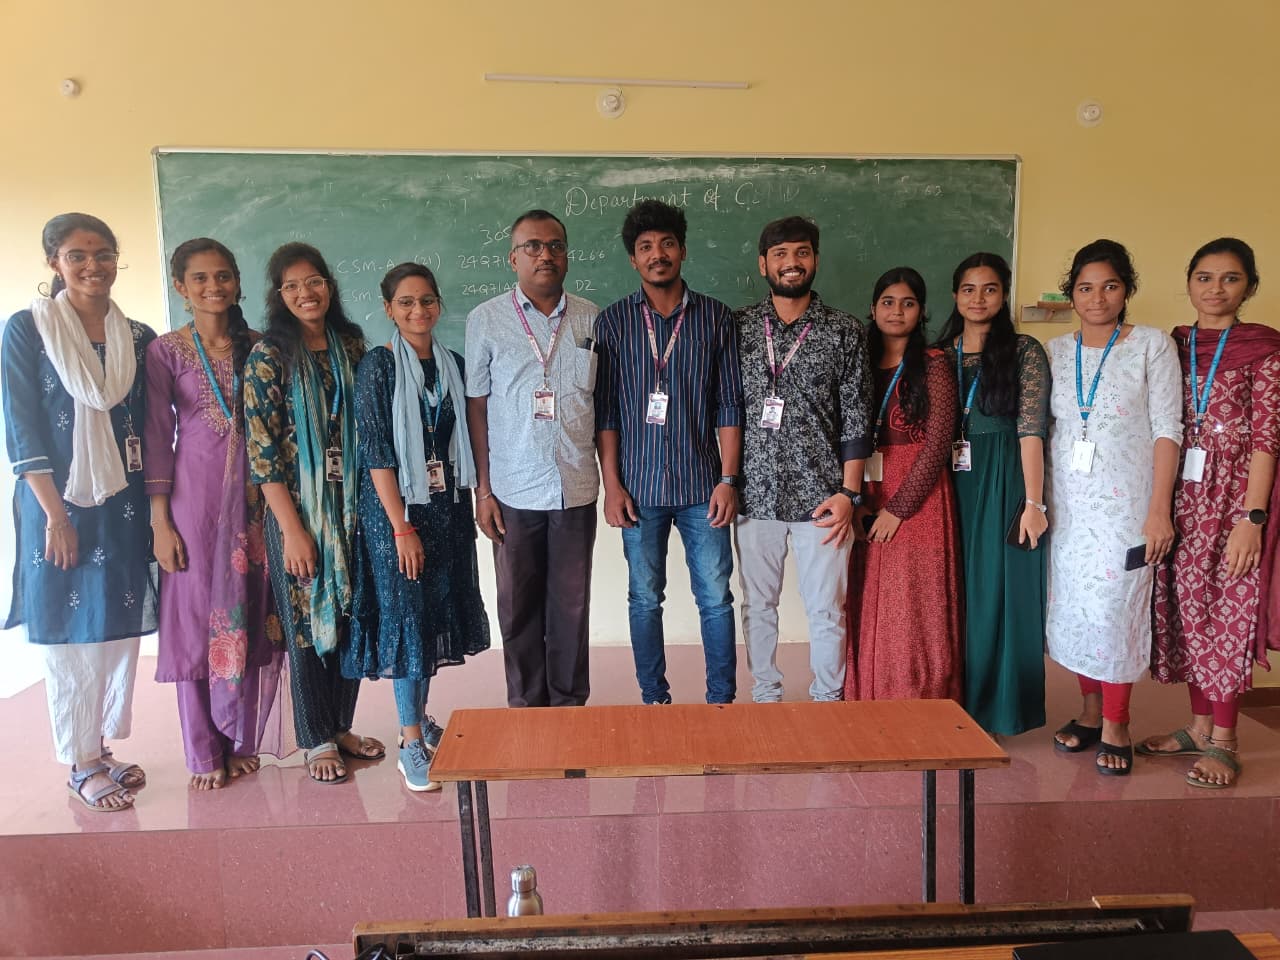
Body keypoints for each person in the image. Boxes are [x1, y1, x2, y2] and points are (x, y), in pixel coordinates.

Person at [2, 213, 156, 811]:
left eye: (104, 254)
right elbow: (22, 427)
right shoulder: (27, 329)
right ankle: (80, 762)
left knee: (114, 621)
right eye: (77, 255)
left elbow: (145, 422)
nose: (93, 266)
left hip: (123, 502)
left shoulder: (136, 336)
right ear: (55, 263)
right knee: (70, 630)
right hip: (57, 503)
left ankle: (98, 746)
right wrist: (55, 516)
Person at [143, 238, 286, 790]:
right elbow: (158, 438)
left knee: (249, 610)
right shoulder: (166, 352)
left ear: (238, 282)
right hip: (194, 501)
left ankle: (240, 739)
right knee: (197, 618)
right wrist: (160, 522)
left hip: (258, 497)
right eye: (200, 278)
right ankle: (203, 750)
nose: (214, 286)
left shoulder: (261, 346)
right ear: (181, 287)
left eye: (223, 275)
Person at [347, 263, 491, 792]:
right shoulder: (377, 367)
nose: (418, 310)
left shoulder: (453, 365)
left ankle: (419, 714)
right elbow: (376, 452)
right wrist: (400, 528)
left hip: (444, 509)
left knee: (429, 616)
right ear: (389, 309)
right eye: (406, 302)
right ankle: (410, 741)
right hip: (397, 514)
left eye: (427, 300)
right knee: (408, 618)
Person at [595, 200, 744, 705]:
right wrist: (612, 487)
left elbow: (730, 404)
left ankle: (721, 701)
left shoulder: (716, 318)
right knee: (644, 598)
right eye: (645, 247)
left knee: (716, 598)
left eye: (666, 244)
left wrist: (728, 480)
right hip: (638, 489)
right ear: (633, 259)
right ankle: (654, 700)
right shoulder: (613, 322)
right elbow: (606, 414)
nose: (657, 254)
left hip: (704, 488)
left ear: (682, 250)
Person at [244, 242, 382, 783]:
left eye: (315, 281)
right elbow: (263, 453)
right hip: (296, 515)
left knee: (349, 616)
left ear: (329, 284)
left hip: (350, 510)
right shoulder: (269, 356)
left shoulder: (351, 345)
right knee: (305, 627)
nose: (306, 293)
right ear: (279, 295)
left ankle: (341, 725)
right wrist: (292, 531)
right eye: (293, 285)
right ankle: (315, 737)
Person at [1144, 237, 1280, 788]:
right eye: (1204, 277)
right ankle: (1198, 728)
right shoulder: (1171, 346)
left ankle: (1225, 741)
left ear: (1249, 287)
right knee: (1188, 611)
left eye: (1230, 278)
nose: (1215, 289)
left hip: (1232, 499)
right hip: (1180, 493)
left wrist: (1253, 518)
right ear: (1188, 282)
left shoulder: (1263, 349)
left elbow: (1268, 438)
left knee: (1228, 612)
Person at [1044, 240, 1181, 775]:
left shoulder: (1151, 345)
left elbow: (1168, 429)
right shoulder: (1055, 351)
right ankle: (1089, 711)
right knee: (1077, 611)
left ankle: (1117, 723)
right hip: (1069, 508)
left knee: (1113, 611)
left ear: (1126, 290)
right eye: (1085, 287)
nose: (1097, 298)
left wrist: (1159, 510)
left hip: (1128, 509)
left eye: (1109, 286)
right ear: (1071, 294)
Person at [464, 210, 600, 707]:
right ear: (513, 258)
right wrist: (483, 491)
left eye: (556, 245)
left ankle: (568, 707)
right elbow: (476, 407)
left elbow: (606, 405)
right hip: (513, 490)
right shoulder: (485, 319)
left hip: (575, 487)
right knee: (517, 609)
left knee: (572, 608)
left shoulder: (591, 317)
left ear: (567, 255)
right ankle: (525, 708)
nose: (546, 255)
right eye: (533, 246)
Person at [734, 216, 872, 703]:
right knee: (758, 606)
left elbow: (857, 418)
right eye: (780, 254)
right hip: (754, 495)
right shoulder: (739, 328)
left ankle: (827, 701)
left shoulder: (845, 331)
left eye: (801, 252)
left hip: (824, 498)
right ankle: (765, 695)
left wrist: (849, 493)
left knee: (827, 609)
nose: (791, 263)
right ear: (763, 264)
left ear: (815, 259)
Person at [937, 252, 1049, 736]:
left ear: (1003, 296)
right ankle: (949, 702)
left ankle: (998, 709)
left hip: (1003, 477)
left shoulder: (1024, 351)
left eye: (990, 289)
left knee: (998, 591)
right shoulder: (938, 354)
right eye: (969, 289)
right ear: (955, 295)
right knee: (952, 592)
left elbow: (1031, 430)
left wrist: (1033, 502)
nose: (978, 299)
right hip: (947, 481)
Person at [845, 267, 961, 702]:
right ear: (873, 309)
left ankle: (916, 699)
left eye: (908, 303)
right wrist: (857, 500)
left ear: (922, 311)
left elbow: (938, 443)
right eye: (888, 302)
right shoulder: (857, 364)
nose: (897, 311)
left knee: (910, 600)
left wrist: (898, 508)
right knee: (866, 594)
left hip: (918, 496)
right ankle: (870, 694)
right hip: (867, 488)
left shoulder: (934, 365)